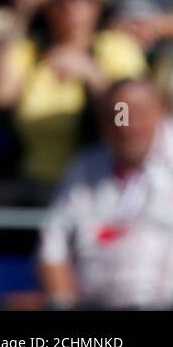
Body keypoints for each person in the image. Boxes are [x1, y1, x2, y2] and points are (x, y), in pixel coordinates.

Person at [0, 0, 147, 198]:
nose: (73, 10)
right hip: (33, 183)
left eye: (83, 0)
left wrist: (95, 79)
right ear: (48, 8)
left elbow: (129, 121)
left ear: (98, 6)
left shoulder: (117, 48)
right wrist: (20, 15)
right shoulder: (29, 50)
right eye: (63, 1)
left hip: (99, 183)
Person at [38, 77, 173, 309]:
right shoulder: (85, 168)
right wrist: (63, 304)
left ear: (159, 113)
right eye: (117, 115)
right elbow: (53, 247)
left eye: (137, 113)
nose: (127, 125)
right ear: (103, 124)